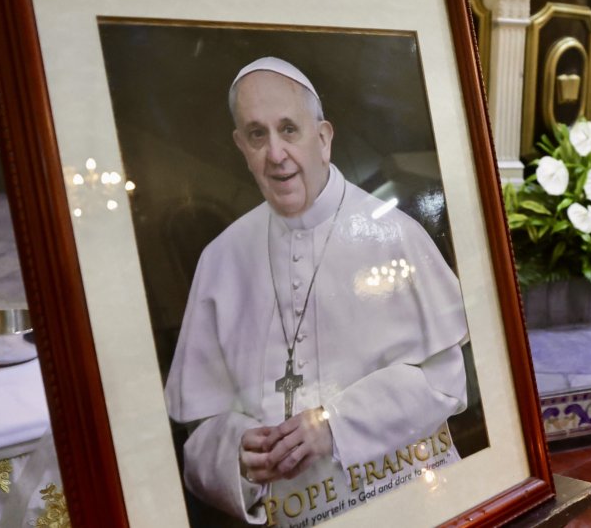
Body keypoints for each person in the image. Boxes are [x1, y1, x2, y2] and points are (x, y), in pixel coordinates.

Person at [165, 57, 470, 527]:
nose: (276, 153)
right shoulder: (220, 260)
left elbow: (445, 384)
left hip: (406, 503)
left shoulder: (395, 235)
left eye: (289, 129)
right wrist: (237, 457)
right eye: (257, 134)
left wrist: (334, 425)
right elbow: (198, 431)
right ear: (240, 147)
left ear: (323, 139)